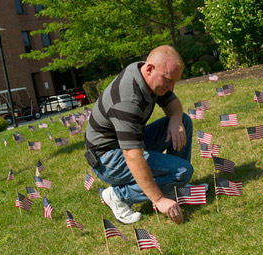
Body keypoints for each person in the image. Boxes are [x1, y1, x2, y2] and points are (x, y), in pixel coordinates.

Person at [85, 45, 198, 224]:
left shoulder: (147, 76)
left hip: (128, 143)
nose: (171, 87)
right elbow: (132, 156)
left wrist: (175, 119)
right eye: (168, 80)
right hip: (107, 159)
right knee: (183, 171)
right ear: (150, 69)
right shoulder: (127, 100)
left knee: (183, 121)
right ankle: (118, 196)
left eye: (174, 82)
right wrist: (158, 200)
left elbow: (173, 105)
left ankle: (176, 186)